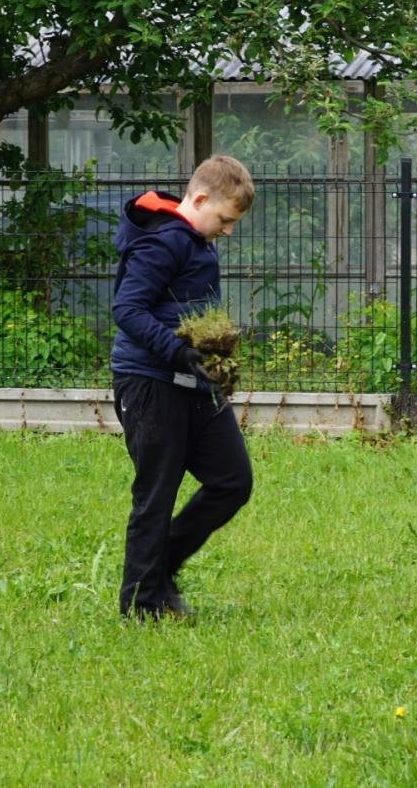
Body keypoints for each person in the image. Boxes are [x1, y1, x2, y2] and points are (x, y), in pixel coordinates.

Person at [110, 154, 256, 618]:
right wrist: (179, 351)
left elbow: (186, 311)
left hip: (193, 382)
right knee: (157, 492)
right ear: (198, 199)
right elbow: (127, 309)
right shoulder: (163, 242)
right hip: (150, 382)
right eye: (225, 219)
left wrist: (212, 354)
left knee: (232, 480)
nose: (227, 230)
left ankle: (161, 568)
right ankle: (141, 603)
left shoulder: (196, 241)